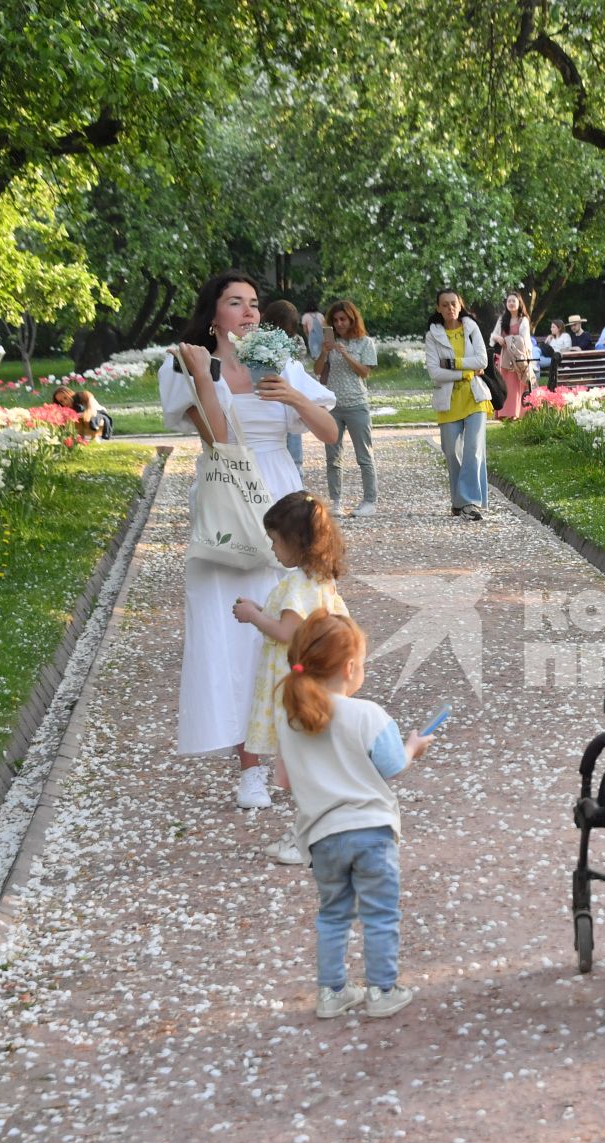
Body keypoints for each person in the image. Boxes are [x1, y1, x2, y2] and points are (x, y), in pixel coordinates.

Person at [160, 269, 338, 808]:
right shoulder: (187, 363)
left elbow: (329, 434)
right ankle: (249, 769)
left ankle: (298, 755)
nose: (249, 312)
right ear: (213, 312)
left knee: (292, 625)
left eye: (254, 303)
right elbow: (215, 438)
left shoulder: (277, 360)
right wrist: (203, 376)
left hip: (281, 495)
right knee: (230, 631)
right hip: (226, 494)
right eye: (235, 302)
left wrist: (295, 398)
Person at [277, 609, 433, 1021]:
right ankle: (382, 990)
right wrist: (413, 746)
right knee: (380, 914)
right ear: (350, 668)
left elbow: (284, 781)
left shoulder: (292, 718)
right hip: (371, 832)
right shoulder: (368, 715)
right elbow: (391, 766)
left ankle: (332, 993)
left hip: (322, 837)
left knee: (332, 914)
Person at [233, 491, 352, 864]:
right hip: (313, 683)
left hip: (295, 686)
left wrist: (253, 616)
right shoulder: (320, 580)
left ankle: (311, 838)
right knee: (310, 764)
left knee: (303, 767)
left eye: (275, 540)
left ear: (296, 542)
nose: (272, 547)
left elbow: (289, 632)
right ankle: (314, 832)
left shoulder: (300, 584)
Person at [424, 289, 493, 520]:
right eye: (444, 305)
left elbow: (482, 360)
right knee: (452, 453)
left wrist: (453, 363)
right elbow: (435, 372)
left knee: (473, 450)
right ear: (438, 308)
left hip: (475, 397)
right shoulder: (433, 335)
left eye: (453, 303)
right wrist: (464, 373)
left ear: (460, 304)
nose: (450, 308)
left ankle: (470, 503)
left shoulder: (471, 328)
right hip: (449, 400)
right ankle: (458, 502)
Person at [314, 299, 380, 517]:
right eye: (335, 320)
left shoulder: (365, 343)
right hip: (333, 406)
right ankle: (336, 501)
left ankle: (370, 500)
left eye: (343, 319)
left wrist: (344, 353)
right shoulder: (329, 344)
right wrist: (324, 353)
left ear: (352, 320)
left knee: (364, 455)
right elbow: (318, 372)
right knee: (333, 457)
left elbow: (364, 372)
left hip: (356, 405)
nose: (339, 323)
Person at [265, 301, 309, 469]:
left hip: (290, 394)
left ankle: (296, 480)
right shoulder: (261, 340)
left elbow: (294, 363)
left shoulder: (296, 341)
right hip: (271, 395)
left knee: (294, 445)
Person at [490, 291, 534, 421]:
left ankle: (515, 413)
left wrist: (510, 340)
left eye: (513, 301)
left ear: (519, 303)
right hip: (504, 357)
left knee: (515, 384)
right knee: (504, 385)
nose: (511, 303)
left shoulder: (523, 320)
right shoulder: (502, 319)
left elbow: (525, 340)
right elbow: (493, 336)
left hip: (517, 356)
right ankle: (503, 412)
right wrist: (498, 337)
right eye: (509, 301)